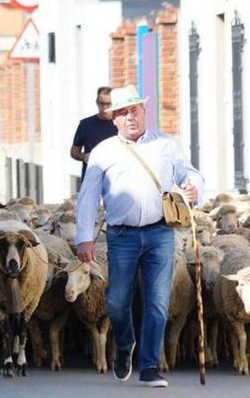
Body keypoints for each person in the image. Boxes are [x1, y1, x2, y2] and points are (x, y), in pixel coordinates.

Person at [75, 85, 202, 388]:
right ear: (114, 120)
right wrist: (84, 237)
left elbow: (190, 173)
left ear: (145, 112)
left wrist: (195, 187)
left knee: (158, 302)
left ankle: (149, 366)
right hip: (122, 235)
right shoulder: (104, 152)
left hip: (160, 232)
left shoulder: (166, 144)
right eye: (122, 112)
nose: (130, 117)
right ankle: (124, 343)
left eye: (134, 110)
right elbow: (88, 196)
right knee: (117, 301)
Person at [70, 86, 117, 181]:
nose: (104, 107)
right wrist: (84, 156)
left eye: (108, 104)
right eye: (101, 103)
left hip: (116, 179)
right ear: (97, 102)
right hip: (91, 180)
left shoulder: (122, 123)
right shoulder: (85, 124)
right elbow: (74, 152)